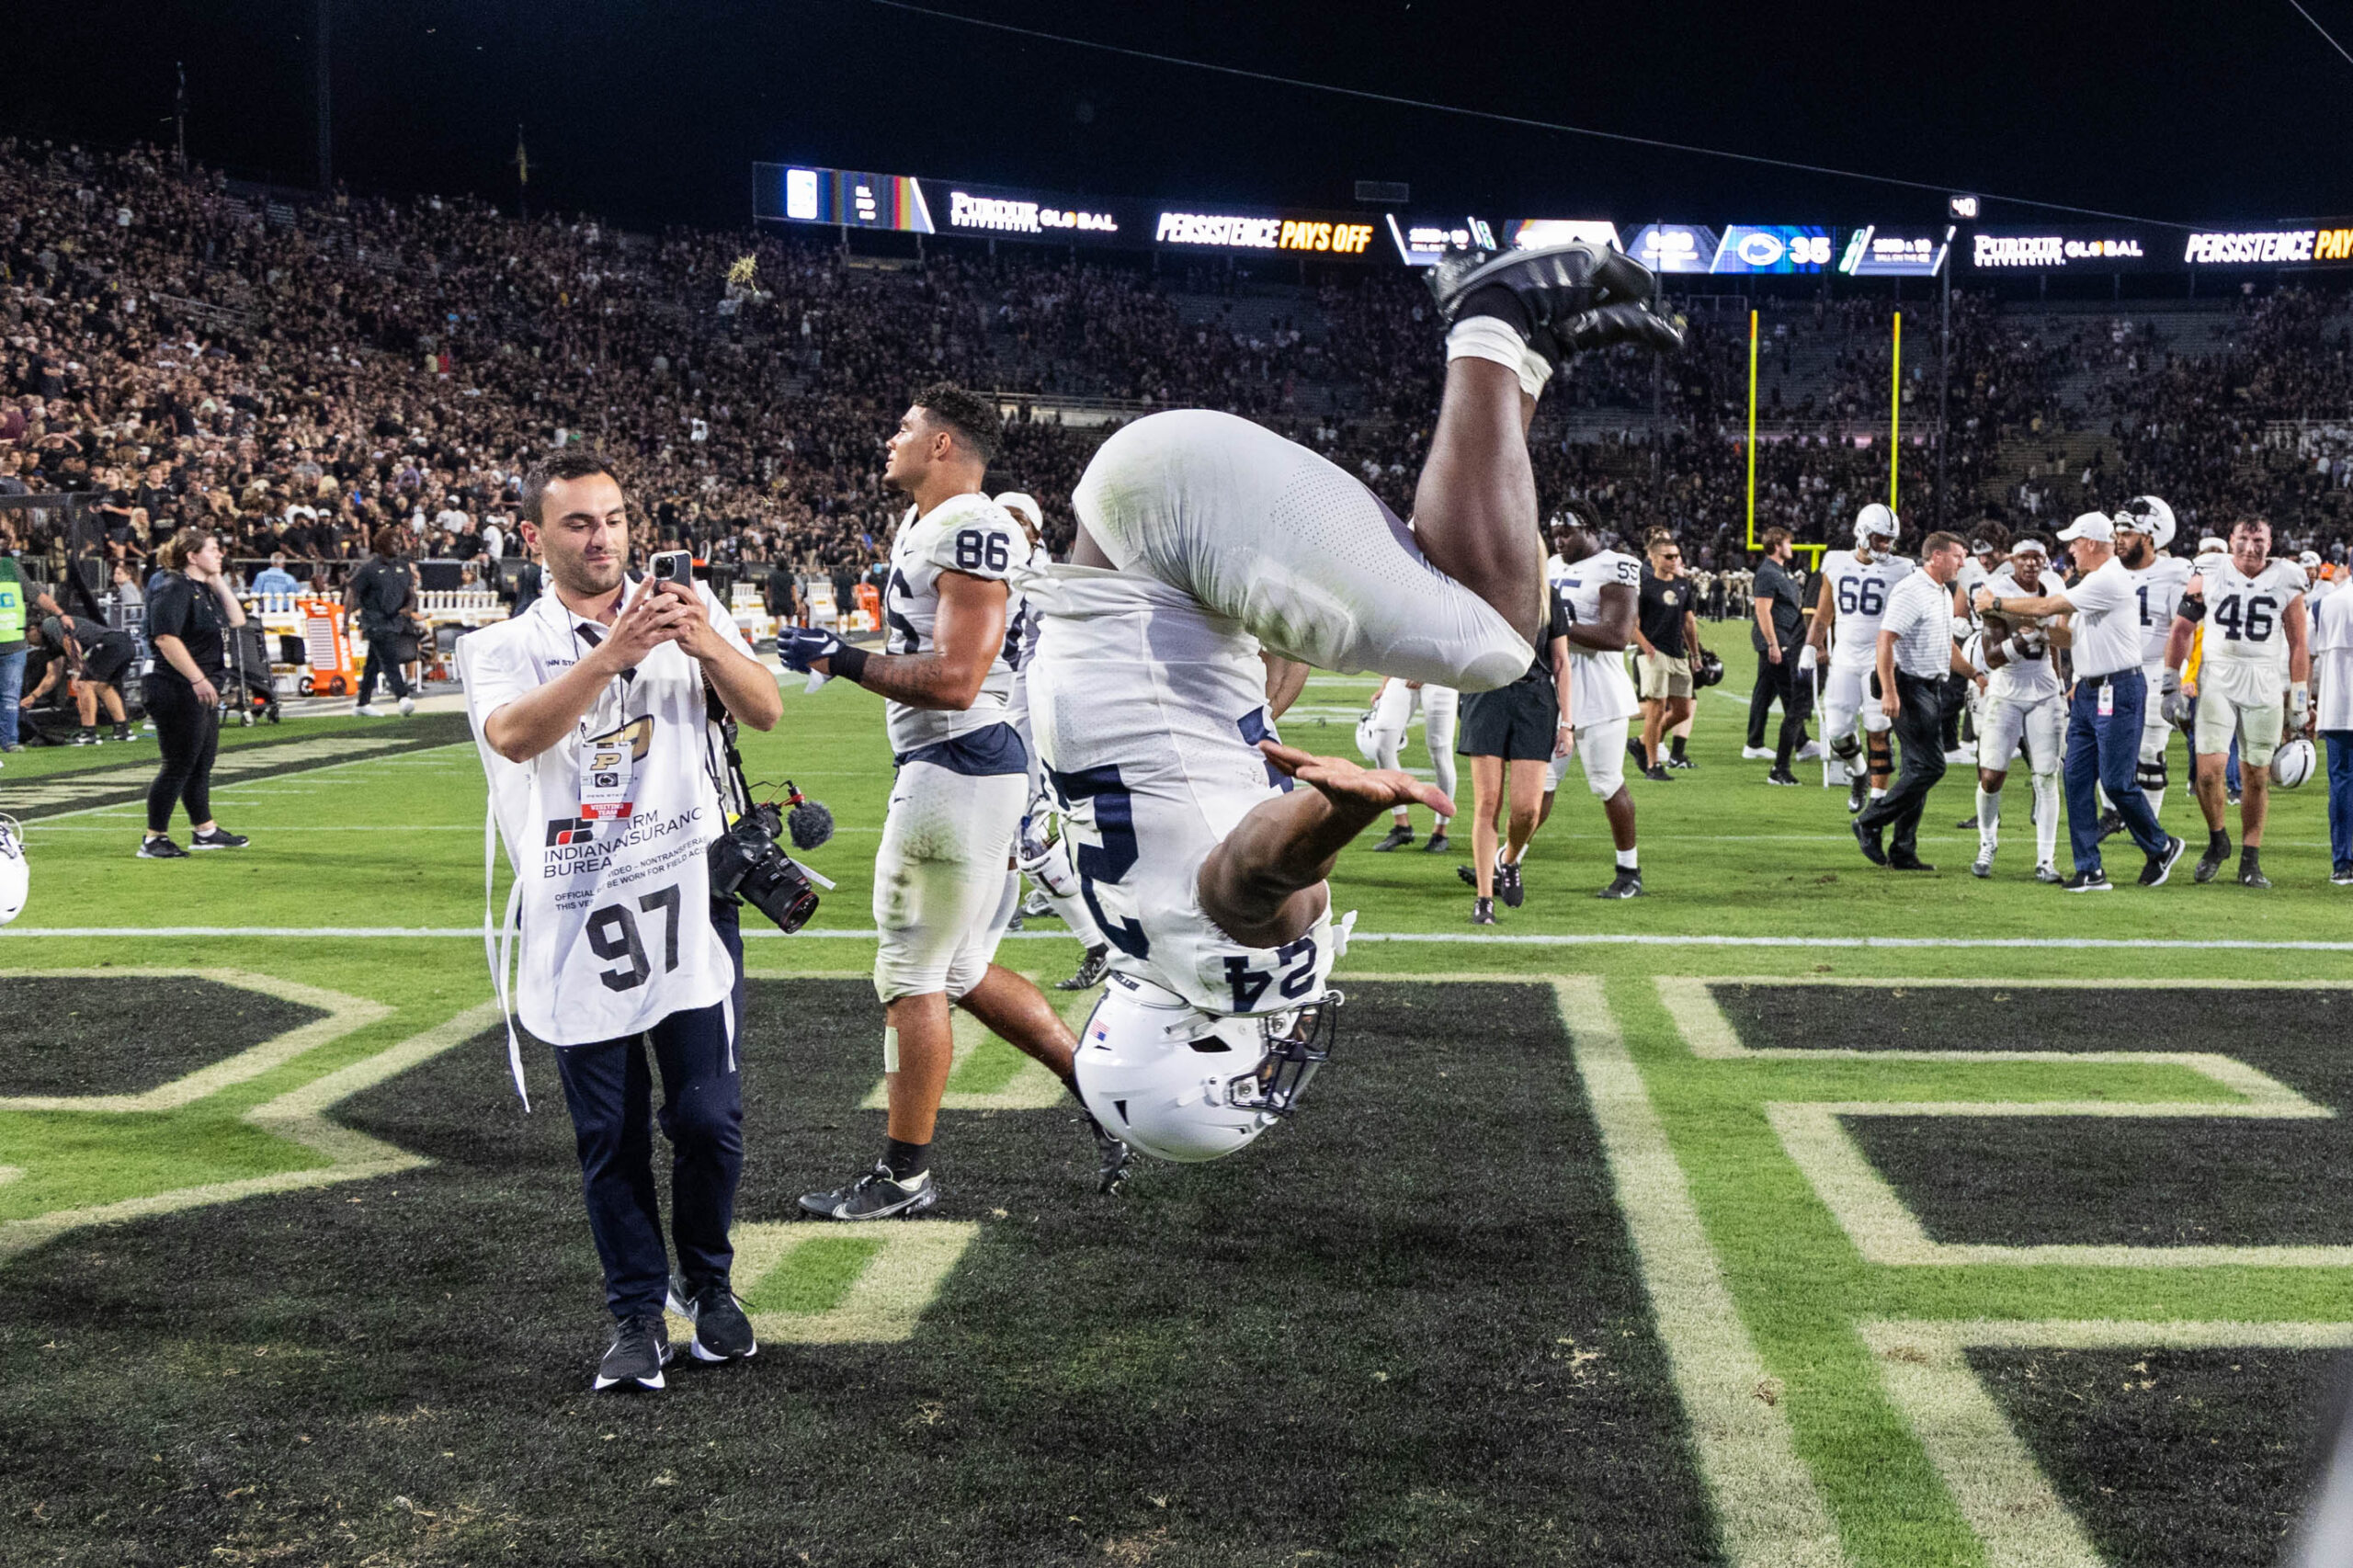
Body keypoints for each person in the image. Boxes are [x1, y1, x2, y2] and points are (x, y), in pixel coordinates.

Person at [998, 239, 1679, 1161]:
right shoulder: (1134, 933)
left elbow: (1247, 876)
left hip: (1172, 514)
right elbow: (1220, 741)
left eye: (1249, 1076)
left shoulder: (1216, 959)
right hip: (1155, 532)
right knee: (1443, 599)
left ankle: (1497, 312)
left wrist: (1335, 812)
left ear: (1197, 1048)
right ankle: (1531, 348)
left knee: (1495, 640)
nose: (1277, 1058)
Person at [457, 450, 781, 1392]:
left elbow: (762, 712)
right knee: (612, 1134)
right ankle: (636, 1311)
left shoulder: (689, 611)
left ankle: (710, 1285)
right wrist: (614, 655)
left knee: (710, 1118)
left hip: (688, 902)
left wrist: (703, 643)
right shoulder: (498, 646)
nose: (602, 539)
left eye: (613, 518)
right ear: (534, 538)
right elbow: (514, 736)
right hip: (575, 914)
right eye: (577, 523)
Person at [779, 385, 1126, 1218]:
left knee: (909, 974)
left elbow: (959, 678)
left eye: (905, 427)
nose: (889, 438)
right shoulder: (930, 525)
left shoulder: (970, 525)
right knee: (963, 970)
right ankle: (1113, 1104)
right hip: (971, 768)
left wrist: (842, 662)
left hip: (959, 764)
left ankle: (903, 1176)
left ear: (943, 445)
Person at [1975, 511, 2186, 892]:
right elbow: (2068, 639)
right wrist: (2035, 635)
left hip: (2118, 688)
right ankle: (2089, 868)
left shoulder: (2107, 578)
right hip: (2091, 689)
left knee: (2117, 782)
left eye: (2074, 542)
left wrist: (1997, 602)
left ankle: (2162, 844)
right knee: (2075, 778)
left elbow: (2046, 606)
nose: (2069, 550)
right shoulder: (2097, 580)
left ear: (2090, 543)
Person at [998, 488, 1111, 992]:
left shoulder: (1041, 578)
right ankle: (969, 965)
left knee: (1032, 841)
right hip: (1005, 722)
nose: (1008, 527)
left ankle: (1100, 944)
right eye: (1000, 517)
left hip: (1035, 726)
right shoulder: (998, 570)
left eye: (1019, 519)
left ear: (1036, 529)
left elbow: (1068, 652)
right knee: (1001, 844)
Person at [2162, 516, 2309, 888]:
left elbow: (2299, 644)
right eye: (2243, 538)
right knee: (2209, 773)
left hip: (2264, 681)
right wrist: (2170, 682)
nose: (2250, 546)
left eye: (2258, 539)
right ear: (2231, 540)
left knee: (2256, 775)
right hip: (2218, 678)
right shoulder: (2210, 570)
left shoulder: (2287, 577)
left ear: (2270, 543)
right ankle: (2218, 841)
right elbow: (2181, 628)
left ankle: (2250, 858)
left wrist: (2300, 698)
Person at [1454, 569, 1572, 922]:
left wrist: (1567, 722)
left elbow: (1562, 662)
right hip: (1486, 695)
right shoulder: (1479, 588)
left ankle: (1508, 861)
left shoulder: (1548, 596)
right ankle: (1484, 899)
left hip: (1535, 700)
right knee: (1488, 802)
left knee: (1527, 811)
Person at [1538, 517, 1644, 896]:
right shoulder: (1550, 565)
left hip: (1601, 693)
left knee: (1606, 782)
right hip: (1557, 690)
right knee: (1541, 784)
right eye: (1555, 534)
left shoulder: (1616, 565)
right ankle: (1507, 862)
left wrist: (1553, 627)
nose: (1560, 540)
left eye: (1567, 532)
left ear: (1590, 530)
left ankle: (1629, 871)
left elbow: (1617, 635)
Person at [1853, 532, 1972, 871]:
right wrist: (1890, 691)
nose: (1962, 563)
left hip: (1931, 688)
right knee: (1930, 767)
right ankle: (1870, 821)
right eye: (1958, 556)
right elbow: (1885, 640)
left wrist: (1974, 673)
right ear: (1936, 556)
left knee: (1915, 770)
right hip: (1910, 687)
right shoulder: (1912, 590)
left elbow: (1946, 646)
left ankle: (1903, 850)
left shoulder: (1942, 593)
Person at [141, 528, 250, 859]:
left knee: (201, 762)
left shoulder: (199, 587)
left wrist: (217, 580)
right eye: (213, 549)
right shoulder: (172, 585)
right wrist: (197, 678)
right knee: (178, 763)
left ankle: (205, 830)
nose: (219, 555)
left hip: (197, 685)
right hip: (174, 685)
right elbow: (165, 638)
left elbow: (237, 618)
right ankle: (153, 837)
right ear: (192, 556)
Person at [1967, 538, 2071, 882]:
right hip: (2005, 691)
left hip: (2043, 690)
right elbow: (1994, 657)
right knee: (1992, 775)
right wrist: (2025, 638)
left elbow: (2064, 641)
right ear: (2012, 560)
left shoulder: (2055, 585)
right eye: (2024, 557)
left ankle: (2045, 859)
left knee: (2045, 776)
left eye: (2037, 557)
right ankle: (1987, 842)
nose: (2031, 564)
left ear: (2045, 561)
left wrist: (2058, 679)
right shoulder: (1993, 591)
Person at [1807, 505, 1915, 812]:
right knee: (1837, 731)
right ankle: (1859, 772)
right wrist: (1810, 646)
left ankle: (1878, 802)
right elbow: (1823, 614)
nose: (1886, 546)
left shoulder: (1902, 568)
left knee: (1878, 729)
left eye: (1889, 540)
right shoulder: (1836, 563)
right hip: (1844, 658)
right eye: (1880, 538)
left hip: (1878, 660)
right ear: (1862, 533)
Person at [2103, 494, 2193, 840]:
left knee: (2148, 752)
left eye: (2127, 532)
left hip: (2154, 671)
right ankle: (2112, 812)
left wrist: (2179, 677)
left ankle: (2149, 831)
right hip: (2112, 673)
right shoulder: (2108, 569)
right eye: (2117, 531)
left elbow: (2181, 628)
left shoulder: (2175, 571)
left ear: (2151, 536)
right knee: (2102, 747)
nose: (2119, 539)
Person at [1358, 678, 1458, 854]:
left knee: (1439, 749)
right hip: (1402, 673)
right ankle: (1401, 824)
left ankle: (1440, 830)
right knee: (1382, 744)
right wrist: (1385, 685)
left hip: (1440, 674)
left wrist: (1426, 670)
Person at [1747, 527, 1813, 785]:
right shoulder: (1767, 573)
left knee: (1765, 691)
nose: (1792, 547)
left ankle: (1754, 743)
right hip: (1778, 640)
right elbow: (1763, 611)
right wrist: (1772, 643)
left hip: (1784, 636)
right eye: (1787, 543)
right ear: (1776, 544)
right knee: (1790, 691)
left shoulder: (1780, 571)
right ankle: (1801, 742)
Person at [1634, 533, 1703, 779]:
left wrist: (1694, 654)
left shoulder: (1683, 585)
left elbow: (1688, 622)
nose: (1675, 560)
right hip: (1654, 653)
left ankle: (1642, 742)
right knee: (1656, 709)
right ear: (1653, 558)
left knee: (1683, 710)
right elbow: (1632, 623)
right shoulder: (1644, 587)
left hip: (1677, 654)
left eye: (1677, 555)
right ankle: (1653, 765)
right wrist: (1646, 646)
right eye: (1669, 556)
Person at [25, 613, 139, 744]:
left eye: (27, 632)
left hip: (109, 645)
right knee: (103, 687)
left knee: (85, 684)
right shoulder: (50, 646)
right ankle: (123, 730)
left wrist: (77, 672)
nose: (26, 637)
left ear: (35, 628)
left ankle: (88, 733)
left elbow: (72, 644)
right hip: (123, 645)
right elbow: (53, 675)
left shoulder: (49, 624)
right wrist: (33, 696)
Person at [347, 526, 419, 718]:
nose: (397, 545)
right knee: (389, 659)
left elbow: (410, 593)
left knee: (373, 663)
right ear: (382, 544)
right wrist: (345, 622)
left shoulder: (403, 566)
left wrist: (408, 607)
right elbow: (352, 590)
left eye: (398, 542)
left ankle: (362, 703)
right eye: (393, 541)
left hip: (394, 620)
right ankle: (402, 697)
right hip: (374, 621)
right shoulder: (369, 568)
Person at [2314, 573, 2353, 886]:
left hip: (2338, 706)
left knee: (2341, 784)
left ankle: (2343, 863)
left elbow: (2313, 654)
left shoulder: (2325, 603)